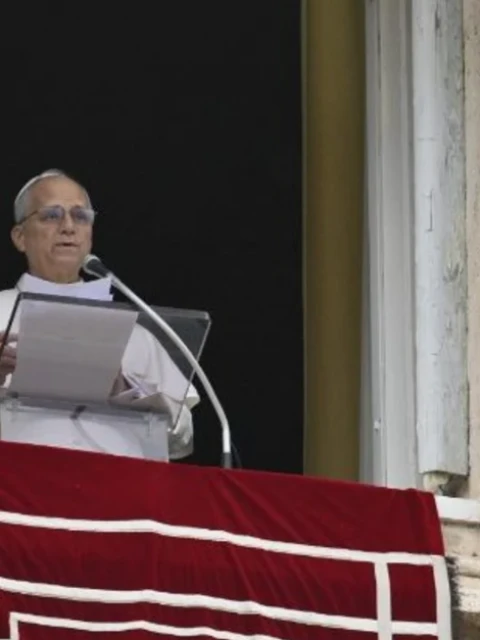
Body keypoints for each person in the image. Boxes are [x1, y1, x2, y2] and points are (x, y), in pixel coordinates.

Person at [0, 169, 199, 460]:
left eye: (81, 217)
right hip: (17, 483)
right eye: (51, 215)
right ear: (20, 237)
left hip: (118, 485)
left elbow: (182, 437)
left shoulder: (135, 334)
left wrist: (127, 390)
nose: (68, 227)